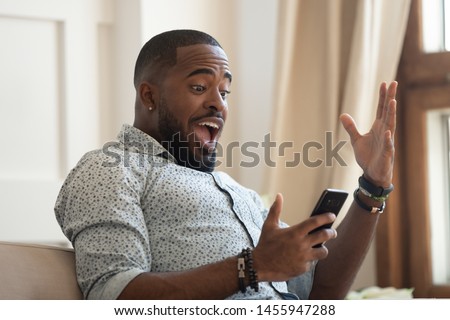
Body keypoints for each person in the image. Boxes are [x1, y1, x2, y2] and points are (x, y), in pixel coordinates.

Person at [55, 29, 398, 300]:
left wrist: (373, 187)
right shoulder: (110, 169)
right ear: (149, 96)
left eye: (225, 91)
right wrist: (254, 266)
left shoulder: (238, 193)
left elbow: (323, 293)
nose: (218, 104)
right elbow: (114, 295)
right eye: (200, 86)